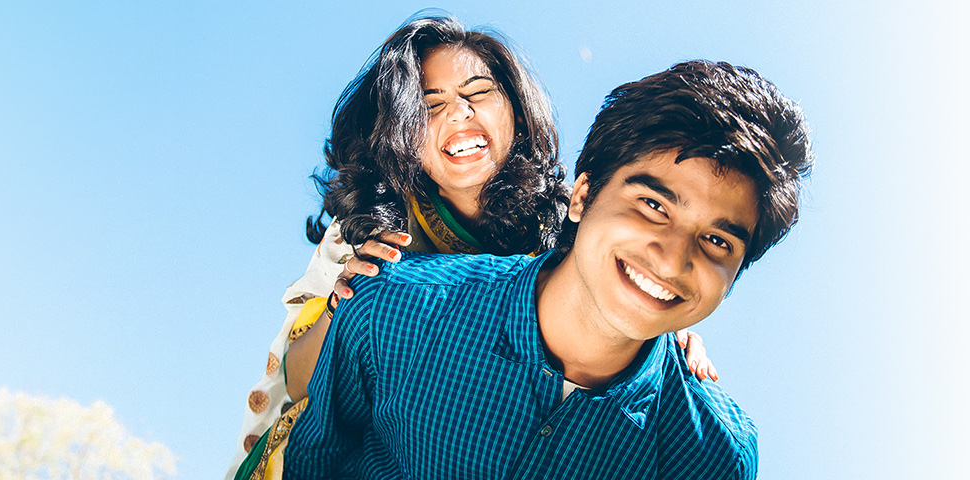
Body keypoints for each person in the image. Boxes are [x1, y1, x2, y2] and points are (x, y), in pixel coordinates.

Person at [228, 14, 717, 480]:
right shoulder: (370, 229)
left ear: (518, 115)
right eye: (430, 105)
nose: (458, 114)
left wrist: (660, 334)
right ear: (405, 133)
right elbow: (295, 380)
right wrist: (345, 305)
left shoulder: (570, 219)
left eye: (477, 94)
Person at [283, 59, 814, 479]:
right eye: (654, 206)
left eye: (717, 240)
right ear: (582, 195)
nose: (673, 259)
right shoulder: (390, 303)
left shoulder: (713, 455)